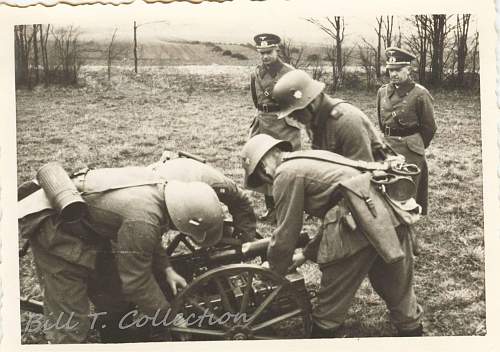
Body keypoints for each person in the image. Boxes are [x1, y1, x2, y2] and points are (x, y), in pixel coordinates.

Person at [241, 134, 424, 338]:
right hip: (388, 217)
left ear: (264, 168)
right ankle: (413, 335)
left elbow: (286, 232)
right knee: (399, 291)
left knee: (331, 300)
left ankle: (321, 337)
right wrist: (306, 254)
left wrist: (274, 270)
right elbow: (336, 208)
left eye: (262, 178)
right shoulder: (305, 159)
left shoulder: (285, 174)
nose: (267, 182)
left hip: (357, 226)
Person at [18, 165, 225, 344]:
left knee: (114, 297)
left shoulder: (160, 189)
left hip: (89, 228)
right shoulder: (143, 219)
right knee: (69, 321)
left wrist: (167, 268)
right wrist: (169, 318)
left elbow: (149, 236)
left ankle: (115, 333)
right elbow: (137, 281)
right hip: (54, 230)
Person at [272, 69, 386, 163]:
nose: (292, 117)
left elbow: (363, 174)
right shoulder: (314, 120)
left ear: (310, 103)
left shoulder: (347, 121)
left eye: (294, 112)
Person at [376, 47, 437, 215]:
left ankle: (407, 223)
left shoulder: (420, 94)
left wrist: (415, 144)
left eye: (398, 70)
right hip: (387, 146)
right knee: (385, 185)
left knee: (407, 190)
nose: (393, 74)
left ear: (408, 70)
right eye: (391, 70)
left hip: (410, 148)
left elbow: (429, 126)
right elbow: (381, 121)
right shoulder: (382, 92)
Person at [248, 33, 302, 221]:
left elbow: (299, 101)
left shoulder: (290, 72)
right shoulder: (256, 72)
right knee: (263, 165)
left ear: (277, 50)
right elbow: (256, 99)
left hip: (283, 124)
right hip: (263, 122)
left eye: (269, 52)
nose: (265, 56)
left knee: (286, 166)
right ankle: (271, 209)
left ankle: (289, 208)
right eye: (262, 53)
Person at [148, 154, 257, 242]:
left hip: (177, 180)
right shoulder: (157, 198)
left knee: (211, 221)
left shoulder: (217, 184)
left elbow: (241, 202)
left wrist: (245, 239)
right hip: (155, 191)